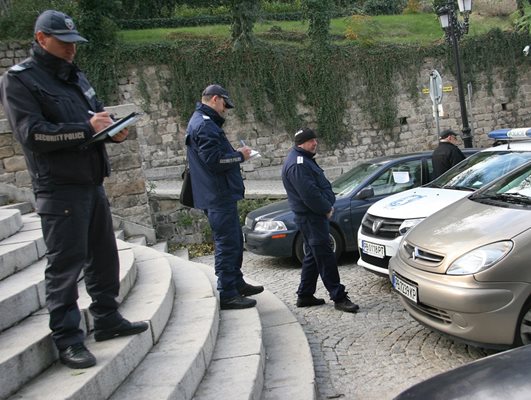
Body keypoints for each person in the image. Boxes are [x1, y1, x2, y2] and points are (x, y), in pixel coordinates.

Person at [0, 10, 148, 369]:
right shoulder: (20, 81)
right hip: (59, 188)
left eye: (73, 44)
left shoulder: (74, 76)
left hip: (91, 181)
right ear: (40, 39)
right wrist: (86, 127)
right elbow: (32, 135)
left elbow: (98, 115)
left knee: (104, 255)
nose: (71, 50)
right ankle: (67, 339)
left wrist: (113, 130)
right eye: (63, 44)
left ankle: (108, 318)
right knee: (65, 266)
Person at [185, 84, 264, 309]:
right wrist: (239, 156)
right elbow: (215, 161)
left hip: (217, 193)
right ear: (216, 100)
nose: (225, 110)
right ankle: (228, 292)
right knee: (227, 244)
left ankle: (236, 282)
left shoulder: (201, 121)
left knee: (234, 240)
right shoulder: (205, 125)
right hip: (217, 195)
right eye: (224, 105)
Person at [281, 128, 359, 313]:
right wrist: (326, 208)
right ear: (301, 143)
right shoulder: (298, 164)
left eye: (315, 139)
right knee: (325, 256)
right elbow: (310, 194)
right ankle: (339, 297)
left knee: (313, 256)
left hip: (312, 217)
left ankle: (305, 295)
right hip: (312, 217)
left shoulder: (302, 159)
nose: (315, 143)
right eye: (311, 140)